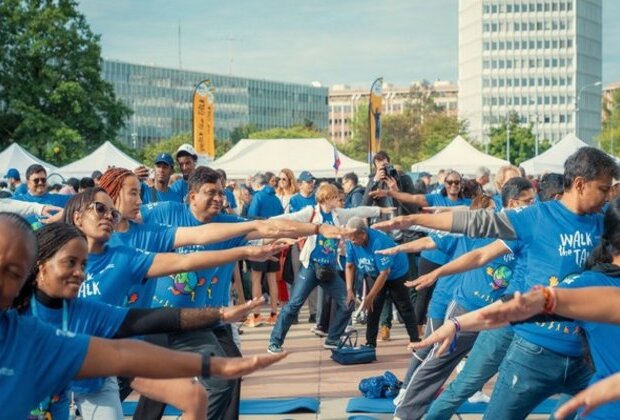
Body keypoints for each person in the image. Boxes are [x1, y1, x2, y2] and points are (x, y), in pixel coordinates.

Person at [375, 147, 618, 420]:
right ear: (579, 184)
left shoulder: (602, 223)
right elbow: (479, 224)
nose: (608, 195)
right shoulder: (537, 218)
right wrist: (416, 219)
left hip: (581, 356)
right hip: (532, 346)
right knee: (470, 388)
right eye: (603, 188)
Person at [0, 212, 288, 419]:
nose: (107, 216)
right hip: (80, 388)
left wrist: (216, 350)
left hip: (97, 385)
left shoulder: (35, 334)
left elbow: (132, 341)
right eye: (99, 208)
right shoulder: (24, 317)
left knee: (194, 395)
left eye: (12, 272)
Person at [135, 166, 347, 420]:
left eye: (221, 193)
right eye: (210, 192)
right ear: (192, 197)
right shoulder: (165, 213)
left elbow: (271, 227)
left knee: (229, 372)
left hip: (208, 317)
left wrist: (317, 229)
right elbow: (124, 216)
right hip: (159, 318)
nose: (218, 198)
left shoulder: (229, 225)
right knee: (157, 383)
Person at [387, 178, 533, 418]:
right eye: (528, 201)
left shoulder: (528, 226)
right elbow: (462, 239)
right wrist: (409, 244)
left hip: (501, 312)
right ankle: (405, 411)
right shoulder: (487, 222)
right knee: (439, 360)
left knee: (504, 367)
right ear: (513, 202)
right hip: (467, 306)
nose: (533, 205)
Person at [267, 183, 391, 353]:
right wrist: (265, 223)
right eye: (335, 197)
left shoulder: (337, 214)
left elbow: (357, 211)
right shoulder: (311, 212)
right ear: (327, 198)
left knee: (347, 303)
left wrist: (379, 211)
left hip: (329, 268)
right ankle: (275, 341)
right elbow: (291, 217)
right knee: (294, 304)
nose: (338, 200)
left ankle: (332, 338)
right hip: (311, 267)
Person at [344, 217, 419, 347]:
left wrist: (370, 296)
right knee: (373, 307)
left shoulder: (378, 242)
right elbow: (349, 266)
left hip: (396, 272)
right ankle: (370, 344)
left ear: (363, 234)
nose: (352, 241)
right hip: (373, 272)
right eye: (350, 238)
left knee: (403, 306)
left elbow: (385, 273)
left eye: (354, 238)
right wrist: (349, 290)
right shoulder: (351, 242)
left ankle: (415, 340)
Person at [245, 172, 285, 326]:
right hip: (275, 241)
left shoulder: (258, 197)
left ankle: (256, 315)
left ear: (256, 184)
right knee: (272, 279)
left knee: (256, 278)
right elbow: (283, 218)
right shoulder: (275, 198)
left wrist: (266, 223)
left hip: (260, 240)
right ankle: (274, 314)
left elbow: (251, 217)